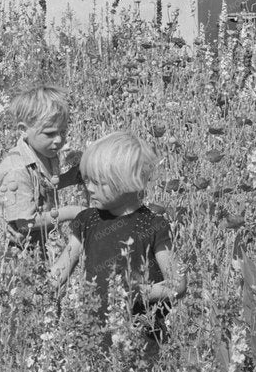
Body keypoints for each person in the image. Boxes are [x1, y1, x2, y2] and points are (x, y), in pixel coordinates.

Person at [50, 131, 186, 350]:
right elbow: (60, 271)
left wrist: (142, 292)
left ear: (126, 182)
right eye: (87, 180)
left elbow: (177, 283)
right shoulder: (87, 221)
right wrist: (35, 290)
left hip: (142, 334)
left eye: (98, 182)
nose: (89, 188)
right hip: (94, 331)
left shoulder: (152, 226)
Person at [0, 85, 85, 258]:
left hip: (35, 244)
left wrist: (70, 177)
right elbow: (26, 223)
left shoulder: (45, 153)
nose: (59, 140)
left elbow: (40, 188)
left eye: (63, 131)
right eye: (50, 133)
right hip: (11, 251)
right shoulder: (17, 170)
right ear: (23, 129)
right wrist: (73, 212)